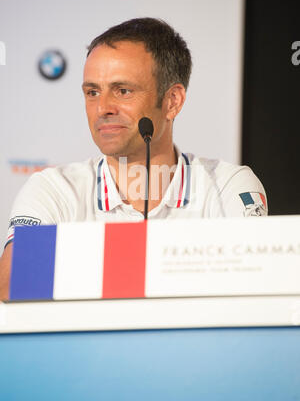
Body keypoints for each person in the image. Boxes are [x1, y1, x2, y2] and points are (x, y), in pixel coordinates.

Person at [0, 17, 267, 299]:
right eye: (92, 92)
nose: (102, 108)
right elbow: (10, 284)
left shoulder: (227, 186)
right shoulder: (53, 189)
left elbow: (254, 284)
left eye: (123, 91)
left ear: (172, 101)